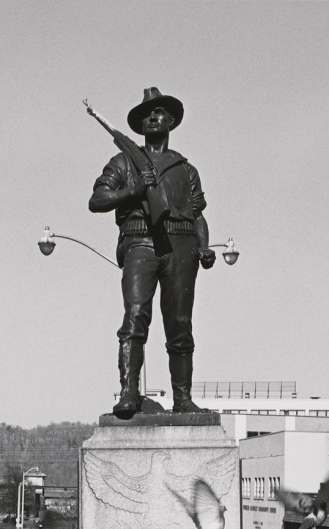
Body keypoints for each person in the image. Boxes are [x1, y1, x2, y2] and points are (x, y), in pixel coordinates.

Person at [89, 87, 216, 417]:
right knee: (135, 317)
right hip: (140, 242)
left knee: (179, 323)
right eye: (147, 114)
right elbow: (97, 200)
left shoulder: (185, 169)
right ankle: (129, 393)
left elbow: (198, 213)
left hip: (181, 245)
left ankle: (182, 398)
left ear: (171, 122)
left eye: (159, 112)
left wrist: (203, 247)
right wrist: (135, 189)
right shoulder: (123, 162)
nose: (152, 117)